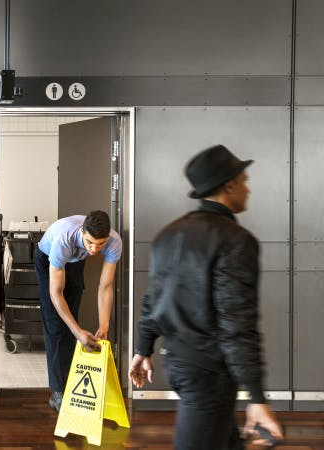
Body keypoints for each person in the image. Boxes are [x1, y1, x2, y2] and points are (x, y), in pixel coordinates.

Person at [129, 144, 283, 449]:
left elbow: (154, 299)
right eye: (245, 181)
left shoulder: (169, 234)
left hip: (177, 363)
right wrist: (256, 396)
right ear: (230, 184)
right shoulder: (236, 241)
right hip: (208, 375)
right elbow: (237, 324)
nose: (248, 189)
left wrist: (143, 349)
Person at [34, 210, 122, 411]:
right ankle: (57, 392)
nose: (94, 250)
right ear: (82, 231)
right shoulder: (64, 239)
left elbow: (106, 286)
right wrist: (78, 332)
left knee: (71, 320)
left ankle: (69, 384)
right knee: (55, 325)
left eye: (100, 245)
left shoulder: (114, 242)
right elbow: (56, 294)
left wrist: (104, 325)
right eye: (90, 242)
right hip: (48, 257)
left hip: (75, 260)